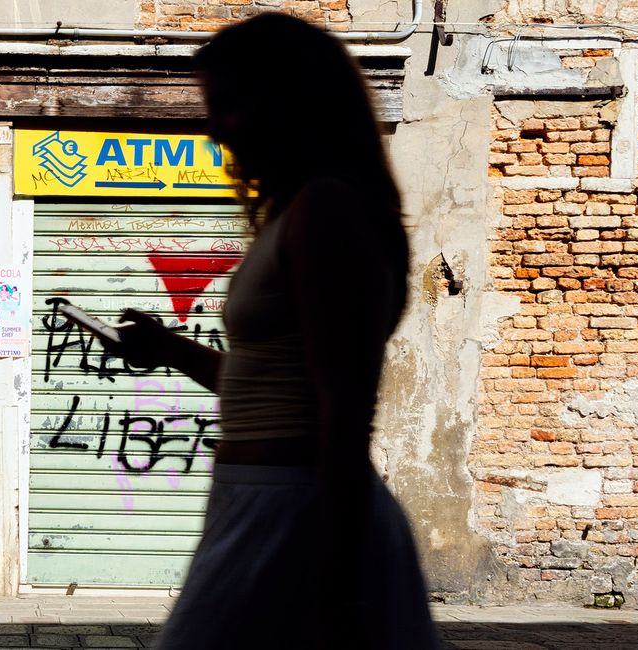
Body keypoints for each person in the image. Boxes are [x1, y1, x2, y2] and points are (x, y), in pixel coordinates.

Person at [100, 13, 441, 649]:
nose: (213, 127)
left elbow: (342, 407)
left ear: (290, 101)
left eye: (228, 104)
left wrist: (339, 578)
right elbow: (277, 383)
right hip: (261, 504)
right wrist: (169, 348)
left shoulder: (328, 209)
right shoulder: (298, 209)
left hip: (295, 513)